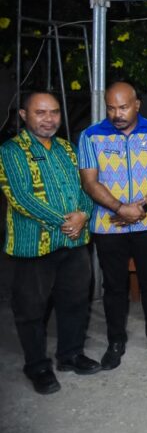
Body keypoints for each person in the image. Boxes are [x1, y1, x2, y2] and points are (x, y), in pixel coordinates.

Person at [79, 82, 147, 370]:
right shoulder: (90, 136)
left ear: (137, 105)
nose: (117, 114)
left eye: (123, 107)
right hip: (108, 224)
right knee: (114, 286)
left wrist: (141, 208)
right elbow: (89, 181)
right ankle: (115, 341)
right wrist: (120, 208)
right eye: (111, 108)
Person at [0, 92, 96, 394]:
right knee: (31, 310)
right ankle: (38, 367)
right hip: (34, 245)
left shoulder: (67, 148)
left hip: (74, 242)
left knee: (75, 301)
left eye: (54, 112)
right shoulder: (12, 151)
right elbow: (21, 196)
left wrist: (83, 214)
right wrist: (65, 222)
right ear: (24, 115)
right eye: (40, 112)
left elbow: (86, 187)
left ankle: (71, 354)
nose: (49, 119)